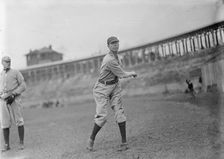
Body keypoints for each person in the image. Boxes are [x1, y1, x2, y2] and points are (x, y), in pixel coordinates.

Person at [86, 36, 137, 151]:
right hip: (102, 88)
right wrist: (132, 73)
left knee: (120, 112)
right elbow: (122, 74)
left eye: (117, 43)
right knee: (102, 117)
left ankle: (124, 143)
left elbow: (118, 76)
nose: (115, 45)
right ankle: (91, 139)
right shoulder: (109, 59)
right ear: (108, 46)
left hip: (114, 86)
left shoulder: (116, 56)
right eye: (112, 43)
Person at [0, 56, 26, 152]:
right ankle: (7, 145)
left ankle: (21, 143)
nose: (8, 63)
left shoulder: (15, 72)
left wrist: (14, 94)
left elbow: (23, 85)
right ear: (2, 63)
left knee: (19, 120)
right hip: (4, 100)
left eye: (9, 61)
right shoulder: (1, 74)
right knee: (4, 122)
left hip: (14, 98)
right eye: (6, 61)